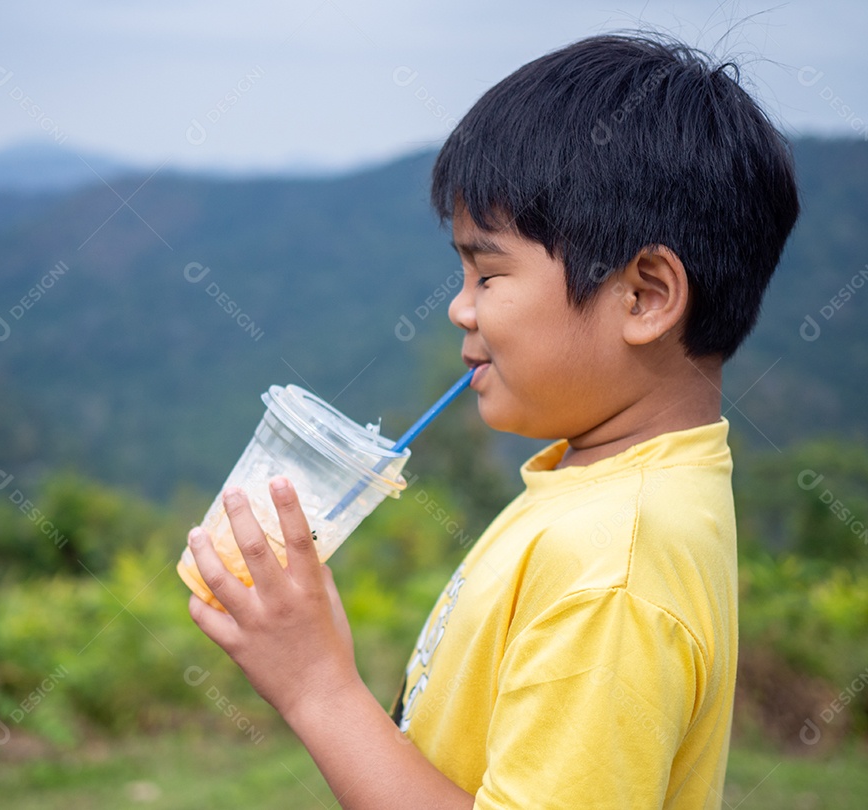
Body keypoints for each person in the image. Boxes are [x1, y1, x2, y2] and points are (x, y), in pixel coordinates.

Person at [185, 32, 800, 809]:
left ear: (643, 297)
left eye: (489, 272)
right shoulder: (594, 492)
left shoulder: (613, 569)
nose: (459, 307)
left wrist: (318, 688)